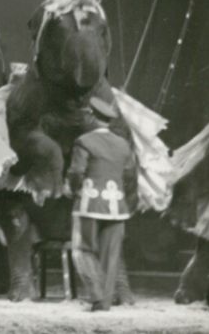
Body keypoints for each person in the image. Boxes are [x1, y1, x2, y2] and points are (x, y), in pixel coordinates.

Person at [67, 96, 138, 312]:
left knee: (82, 249)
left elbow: (76, 172)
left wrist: (74, 190)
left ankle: (96, 296)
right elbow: (129, 175)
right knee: (111, 255)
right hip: (117, 206)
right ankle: (104, 302)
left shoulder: (84, 141)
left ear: (91, 116)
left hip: (90, 204)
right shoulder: (123, 144)